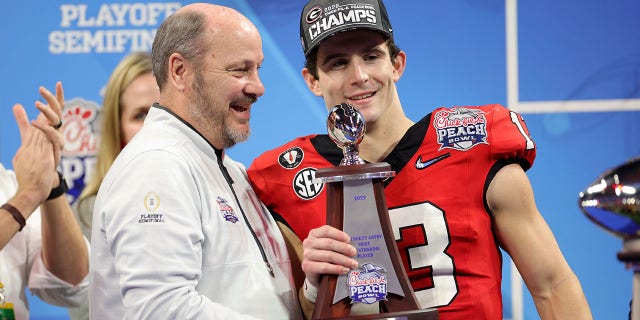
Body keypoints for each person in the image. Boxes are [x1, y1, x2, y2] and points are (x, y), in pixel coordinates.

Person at [246, 0, 593, 318]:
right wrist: (313, 284)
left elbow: (552, 285)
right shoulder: (284, 179)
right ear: (312, 81)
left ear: (397, 64)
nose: (359, 76)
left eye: (371, 57)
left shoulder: (473, 146)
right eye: (338, 63)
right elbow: (304, 312)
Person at [89, 3, 302, 319]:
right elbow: (161, 310)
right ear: (179, 71)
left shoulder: (228, 170)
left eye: (258, 68)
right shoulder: (157, 165)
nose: (258, 87)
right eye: (239, 69)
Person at [68, 52, 158, 320]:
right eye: (140, 115)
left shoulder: (218, 195)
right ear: (116, 128)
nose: (155, 125)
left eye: (163, 112)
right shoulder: (89, 212)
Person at [0, 82, 89, 320]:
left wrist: (49, 184)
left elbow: (72, 283)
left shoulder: (6, 185)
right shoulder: (19, 195)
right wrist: (27, 197)